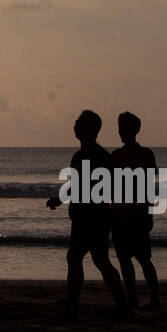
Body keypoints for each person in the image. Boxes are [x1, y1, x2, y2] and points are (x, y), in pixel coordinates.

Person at [46, 110, 129, 319]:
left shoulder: (97, 156)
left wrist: (61, 199)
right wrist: (61, 199)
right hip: (87, 216)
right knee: (97, 260)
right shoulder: (85, 155)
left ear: (88, 129)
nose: (74, 126)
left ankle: (75, 306)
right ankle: (119, 303)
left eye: (78, 123)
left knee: (82, 259)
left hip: (93, 217)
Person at [110, 111, 160, 310]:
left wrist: (149, 213)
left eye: (125, 127)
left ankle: (154, 298)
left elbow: (149, 185)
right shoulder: (115, 155)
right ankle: (132, 298)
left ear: (135, 130)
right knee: (124, 259)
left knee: (143, 259)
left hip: (138, 214)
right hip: (119, 213)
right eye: (120, 127)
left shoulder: (145, 154)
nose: (121, 131)